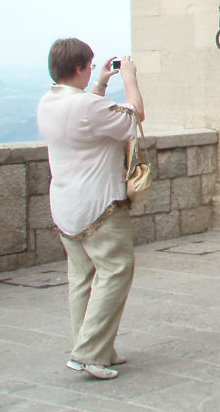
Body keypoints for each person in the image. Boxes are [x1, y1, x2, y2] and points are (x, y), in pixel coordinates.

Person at [36, 39, 145, 381]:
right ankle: (88, 353)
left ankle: (94, 346)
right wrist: (129, 77)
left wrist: (99, 83)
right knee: (115, 271)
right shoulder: (85, 107)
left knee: (81, 278)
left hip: (66, 204)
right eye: (90, 67)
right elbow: (135, 116)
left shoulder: (47, 102)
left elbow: (87, 116)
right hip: (99, 205)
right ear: (80, 67)